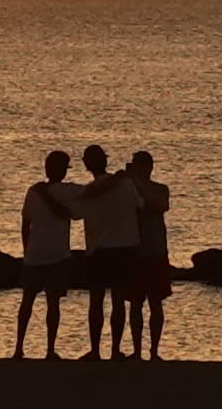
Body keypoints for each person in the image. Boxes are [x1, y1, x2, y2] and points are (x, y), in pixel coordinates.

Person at [13, 149, 86, 360]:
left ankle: (19, 348)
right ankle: (50, 349)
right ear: (63, 171)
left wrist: (26, 250)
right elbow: (76, 212)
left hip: (35, 254)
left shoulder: (33, 191)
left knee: (27, 301)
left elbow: (25, 224)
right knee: (52, 303)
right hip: (57, 255)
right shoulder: (69, 191)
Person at [76, 142, 143, 360]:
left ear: (87, 165)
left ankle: (96, 350)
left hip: (99, 250)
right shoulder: (125, 185)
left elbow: (76, 212)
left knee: (96, 301)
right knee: (118, 300)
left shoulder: (87, 192)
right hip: (125, 247)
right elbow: (139, 206)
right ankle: (114, 350)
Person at [123, 147, 172, 361]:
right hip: (135, 251)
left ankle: (153, 351)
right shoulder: (129, 190)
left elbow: (161, 205)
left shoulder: (160, 188)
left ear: (149, 167)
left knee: (156, 302)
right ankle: (137, 350)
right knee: (135, 303)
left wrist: (138, 182)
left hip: (155, 251)